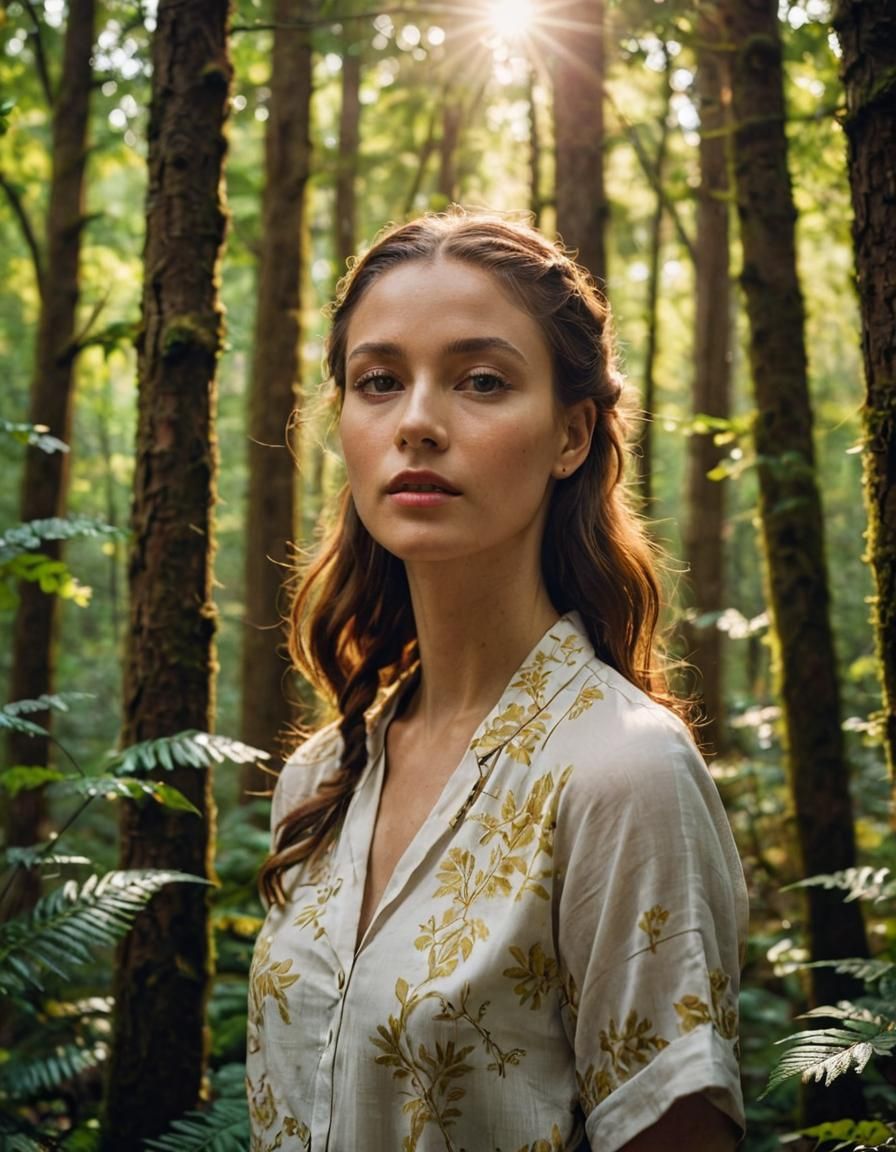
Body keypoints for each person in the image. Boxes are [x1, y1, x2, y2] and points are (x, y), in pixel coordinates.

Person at [247, 209, 748, 1152]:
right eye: (379, 381)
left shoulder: (623, 775)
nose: (417, 423)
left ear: (571, 436)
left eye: (481, 381)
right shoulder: (319, 780)